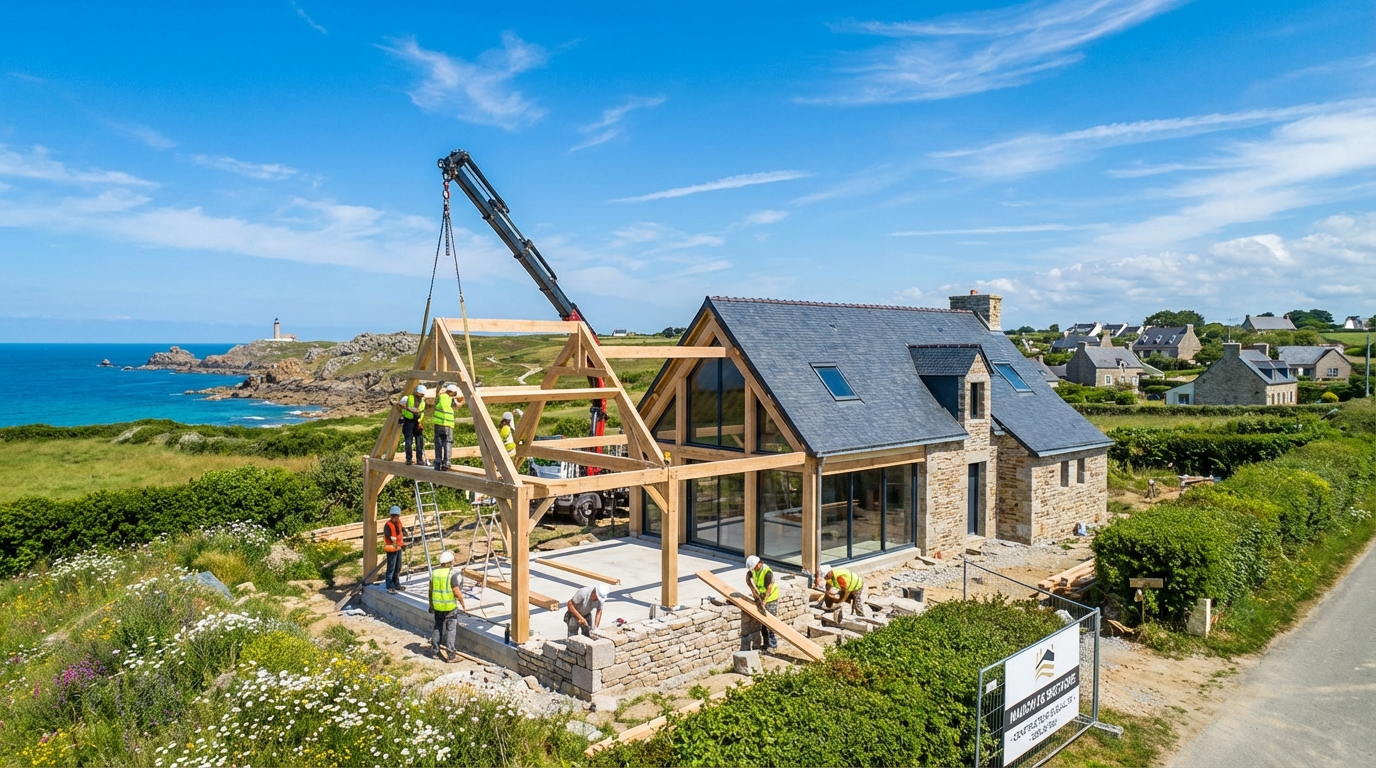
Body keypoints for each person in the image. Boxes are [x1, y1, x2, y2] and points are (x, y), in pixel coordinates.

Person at [430, 550, 466, 662]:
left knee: (438, 627)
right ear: (450, 562)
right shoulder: (451, 574)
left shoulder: (434, 573)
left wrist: (431, 605)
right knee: (451, 630)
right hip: (450, 607)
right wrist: (463, 604)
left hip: (437, 607)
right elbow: (456, 591)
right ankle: (451, 654)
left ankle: (435, 651)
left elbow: (430, 591)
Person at [745, 555, 779, 650]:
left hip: (771, 597)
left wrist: (764, 601)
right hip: (762, 595)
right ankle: (766, 644)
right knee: (763, 623)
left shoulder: (767, 572)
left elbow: (769, 589)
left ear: (759, 563)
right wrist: (753, 591)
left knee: (770, 622)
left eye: (755, 568)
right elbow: (748, 578)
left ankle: (773, 645)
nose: (754, 570)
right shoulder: (754, 570)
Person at [432, 383, 458, 471]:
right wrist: (463, 401)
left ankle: (437, 463)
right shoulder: (452, 400)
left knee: (438, 443)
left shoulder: (440, 397)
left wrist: (439, 386)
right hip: (448, 425)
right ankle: (446, 463)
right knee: (447, 443)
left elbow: (437, 393)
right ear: (451, 392)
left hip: (438, 424)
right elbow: (457, 406)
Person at [399, 385, 427, 465]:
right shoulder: (408, 398)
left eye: (422, 394)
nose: (421, 395)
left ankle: (419, 459)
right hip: (408, 421)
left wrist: (419, 422)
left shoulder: (422, 401)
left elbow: (422, 412)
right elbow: (403, 407)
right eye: (420, 393)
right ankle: (409, 459)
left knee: (419, 441)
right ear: (416, 392)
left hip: (416, 422)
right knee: (409, 441)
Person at [383, 505, 406, 593]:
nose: (394, 517)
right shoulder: (388, 525)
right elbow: (386, 533)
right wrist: (390, 537)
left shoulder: (399, 523)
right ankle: (389, 586)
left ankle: (396, 584)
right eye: (393, 516)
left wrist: (403, 544)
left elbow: (400, 533)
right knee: (391, 568)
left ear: (399, 516)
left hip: (398, 547)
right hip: (392, 548)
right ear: (390, 515)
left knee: (398, 567)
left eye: (396, 516)